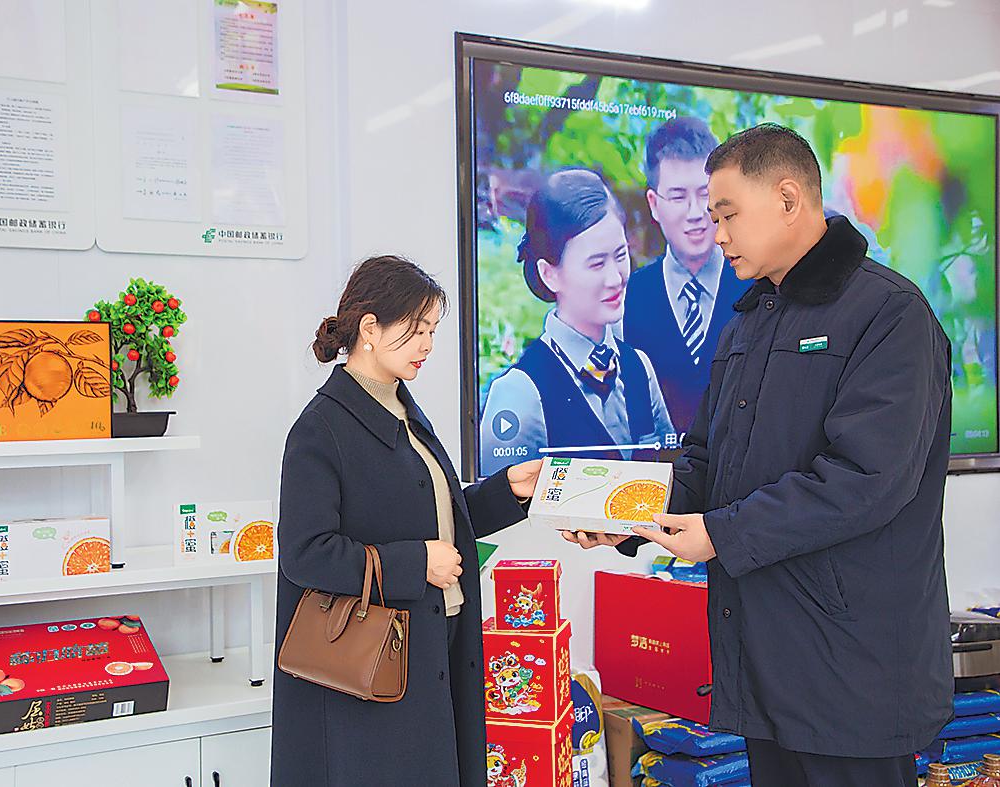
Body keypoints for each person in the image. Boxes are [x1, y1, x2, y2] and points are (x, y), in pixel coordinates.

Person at [568, 124, 953, 787]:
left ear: (787, 199)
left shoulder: (889, 314)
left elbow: (864, 479)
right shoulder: (749, 322)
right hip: (767, 663)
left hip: (853, 669)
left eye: (727, 214)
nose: (715, 234)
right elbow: (704, 462)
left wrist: (720, 534)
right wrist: (625, 512)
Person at [271, 255, 543, 787]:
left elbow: (431, 515)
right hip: (375, 664)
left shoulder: (402, 409)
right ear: (370, 328)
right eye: (417, 329)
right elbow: (305, 554)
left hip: (436, 640)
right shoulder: (321, 428)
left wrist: (506, 492)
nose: (428, 345)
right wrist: (415, 563)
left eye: (432, 331)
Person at [480, 169, 673, 475]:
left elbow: (669, 472)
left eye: (620, 255)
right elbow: (499, 500)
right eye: (596, 264)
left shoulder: (639, 368)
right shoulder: (521, 392)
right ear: (549, 274)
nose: (615, 278)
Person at [623, 117, 748, 438]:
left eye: (704, 195)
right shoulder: (627, 297)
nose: (695, 213)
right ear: (654, 205)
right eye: (678, 197)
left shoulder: (758, 287)